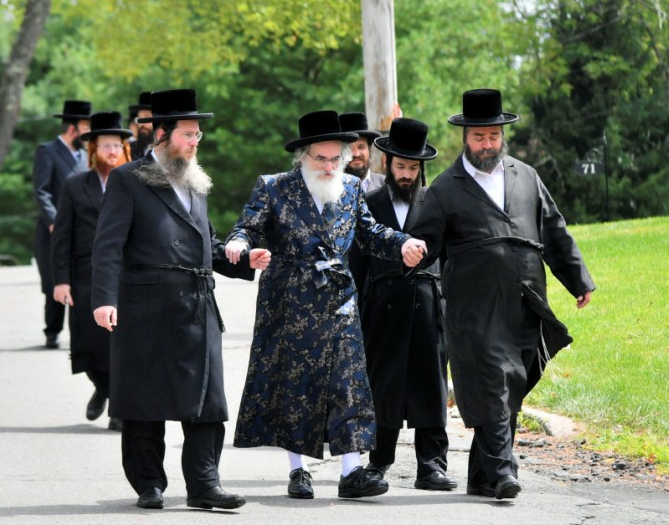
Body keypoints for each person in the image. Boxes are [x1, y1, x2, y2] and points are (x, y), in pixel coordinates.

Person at [224, 110, 427, 500]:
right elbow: (247, 226)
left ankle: (352, 472)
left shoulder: (350, 189)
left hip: (339, 300)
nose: (330, 166)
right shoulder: (274, 187)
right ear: (303, 156)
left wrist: (402, 243)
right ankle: (298, 471)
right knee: (295, 386)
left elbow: (369, 233)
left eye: (337, 158)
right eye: (321, 158)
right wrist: (240, 244)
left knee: (348, 382)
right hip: (290, 300)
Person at [409, 88, 595, 500]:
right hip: (474, 306)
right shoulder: (444, 189)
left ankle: (480, 475)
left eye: (493, 136)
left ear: (501, 135)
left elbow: (554, 228)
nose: (487, 144)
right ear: (465, 138)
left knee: (511, 383)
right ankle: (506, 471)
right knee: (494, 380)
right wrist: (410, 256)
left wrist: (577, 279)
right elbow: (423, 244)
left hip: (526, 299)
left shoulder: (525, 175)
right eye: (479, 137)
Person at [91, 89, 270, 511]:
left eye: (198, 134)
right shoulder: (128, 179)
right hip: (144, 308)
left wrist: (244, 259)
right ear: (163, 134)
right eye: (188, 134)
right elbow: (108, 245)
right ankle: (149, 484)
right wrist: (103, 298)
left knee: (208, 402)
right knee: (144, 401)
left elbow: (206, 247)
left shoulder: (196, 183)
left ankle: (205, 485)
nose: (195, 141)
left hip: (196, 306)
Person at [355, 118, 456, 491]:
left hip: (429, 304)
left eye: (413, 168)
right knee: (384, 385)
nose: (407, 175)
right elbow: (357, 263)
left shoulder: (435, 202)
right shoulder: (368, 203)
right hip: (382, 307)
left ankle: (432, 465)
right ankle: (378, 461)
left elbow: (446, 256)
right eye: (401, 167)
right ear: (387, 164)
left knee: (431, 383)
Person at [51, 111, 131, 431]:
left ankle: (120, 408)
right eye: (105, 146)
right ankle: (102, 385)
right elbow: (62, 237)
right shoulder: (75, 186)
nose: (112, 152)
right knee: (90, 343)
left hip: (127, 274)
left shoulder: (136, 182)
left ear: (125, 149)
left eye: (117, 146)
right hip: (86, 274)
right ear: (93, 150)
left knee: (124, 343)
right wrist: (61, 280)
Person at [33, 100, 91, 349]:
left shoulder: (85, 155)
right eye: (86, 128)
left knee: (79, 280)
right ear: (73, 128)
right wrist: (54, 221)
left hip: (80, 230)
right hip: (53, 229)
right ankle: (52, 330)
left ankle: (81, 330)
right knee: (53, 281)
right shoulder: (47, 151)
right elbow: (41, 190)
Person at [338, 111, 385, 193]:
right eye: (349, 149)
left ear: (369, 150)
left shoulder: (385, 186)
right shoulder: (331, 189)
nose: (356, 154)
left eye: (361, 147)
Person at [127, 91, 155, 157]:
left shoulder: (167, 150)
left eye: (147, 117)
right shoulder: (130, 149)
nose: (142, 124)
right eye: (139, 118)